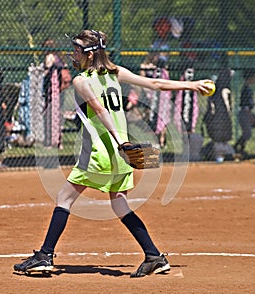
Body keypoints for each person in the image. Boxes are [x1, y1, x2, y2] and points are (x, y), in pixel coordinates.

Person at [13, 30, 213, 278]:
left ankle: (44, 256)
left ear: (89, 54)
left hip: (102, 152)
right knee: (119, 203)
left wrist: (121, 141)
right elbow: (155, 84)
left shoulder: (81, 81)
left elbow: (99, 110)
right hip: (121, 154)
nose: (72, 54)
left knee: (64, 199)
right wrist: (192, 85)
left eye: (76, 50)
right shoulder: (114, 72)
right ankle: (153, 256)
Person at [234, 69, 255, 157]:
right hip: (245, 112)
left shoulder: (247, 88)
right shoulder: (246, 89)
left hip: (246, 112)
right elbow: (245, 105)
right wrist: (250, 116)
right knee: (247, 133)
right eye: (254, 77)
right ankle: (237, 148)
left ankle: (239, 149)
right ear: (250, 78)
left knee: (247, 133)